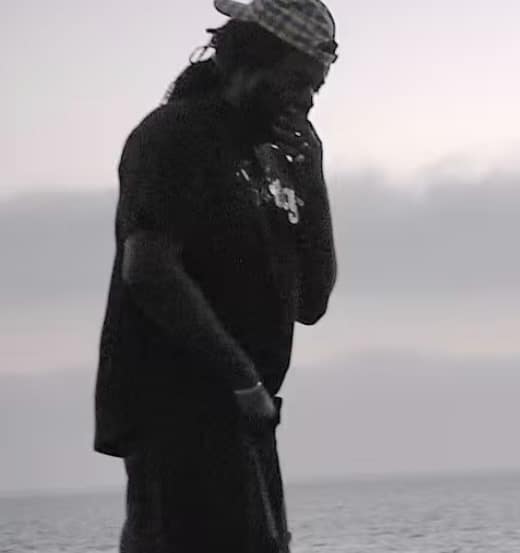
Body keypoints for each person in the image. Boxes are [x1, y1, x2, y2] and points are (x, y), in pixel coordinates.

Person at [93, 1, 339, 551]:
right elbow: (149, 269)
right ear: (250, 64)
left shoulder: (271, 161)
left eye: (316, 87)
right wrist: (242, 379)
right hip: (178, 415)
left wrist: (314, 180)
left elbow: (312, 302)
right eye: (297, 81)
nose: (307, 99)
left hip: (246, 421)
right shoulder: (176, 135)